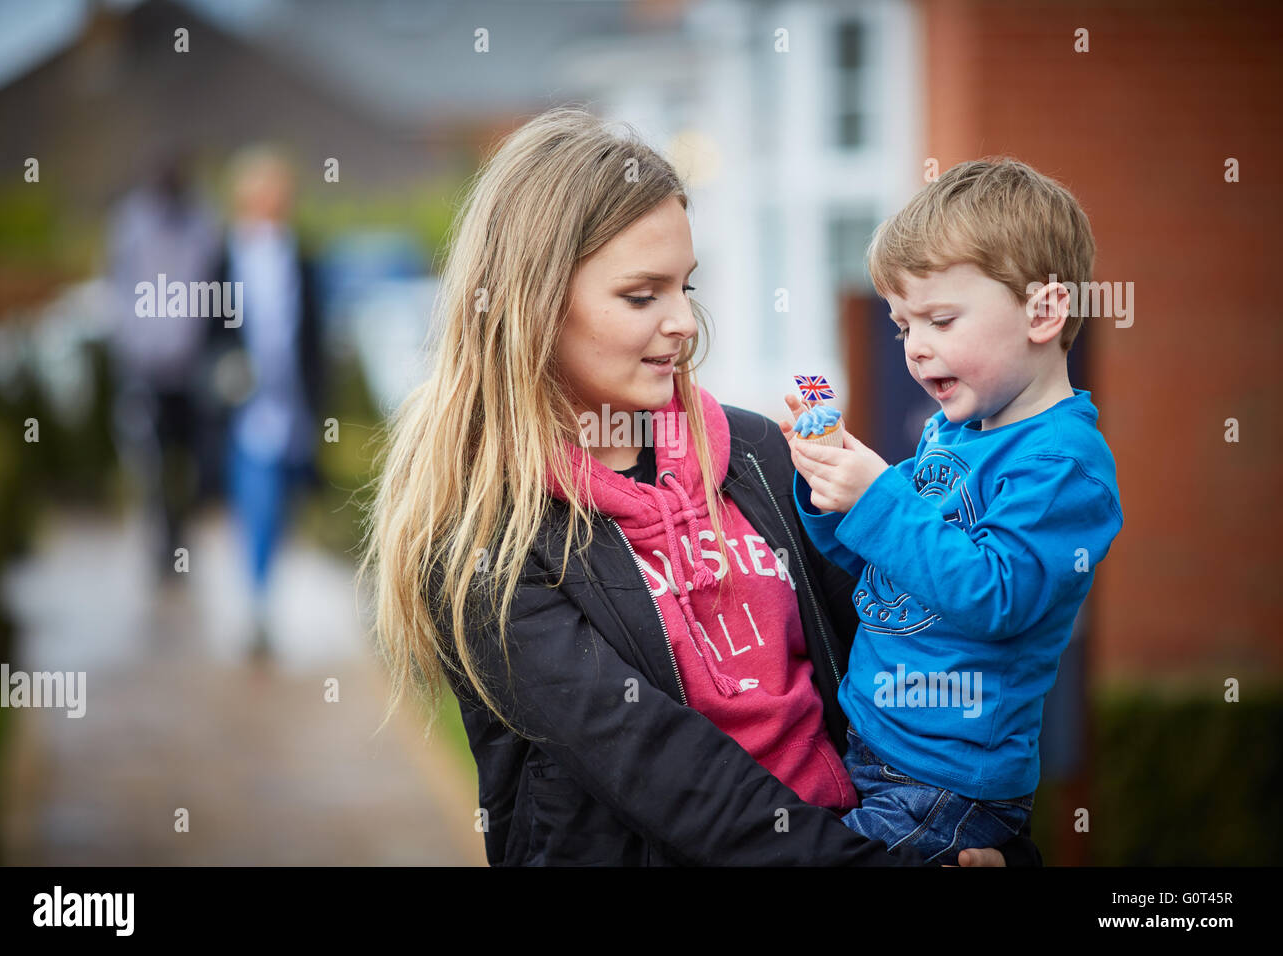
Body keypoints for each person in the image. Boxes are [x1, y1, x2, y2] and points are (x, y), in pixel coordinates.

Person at [364, 108, 1040, 866]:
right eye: (642, 295)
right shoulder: (486, 537)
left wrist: (986, 838)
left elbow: (899, 642)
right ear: (535, 303)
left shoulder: (755, 451)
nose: (685, 320)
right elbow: (666, 772)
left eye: (685, 286)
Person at [783, 159, 1123, 863]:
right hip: (873, 745)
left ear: (1043, 312)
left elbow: (994, 596)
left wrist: (876, 496)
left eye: (940, 319)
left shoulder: (1062, 466)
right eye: (903, 325)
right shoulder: (956, 431)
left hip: (947, 784)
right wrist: (828, 488)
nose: (916, 348)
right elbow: (892, 556)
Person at [207, 146, 324, 658]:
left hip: (291, 409)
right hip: (243, 408)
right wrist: (229, 368)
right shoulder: (225, 256)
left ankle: (263, 591)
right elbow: (209, 331)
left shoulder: (300, 254)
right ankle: (256, 603)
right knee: (256, 499)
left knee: (281, 508)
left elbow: (315, 337)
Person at [106, 150, 221, 577]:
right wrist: (132, 344)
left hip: (190, 371)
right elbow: (118, 287)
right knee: (149, 460)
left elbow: (216, 286)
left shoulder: (203, 223)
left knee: (189, 461)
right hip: (145, 368)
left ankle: (181, 538)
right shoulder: (130, 224)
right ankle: (161, 543)